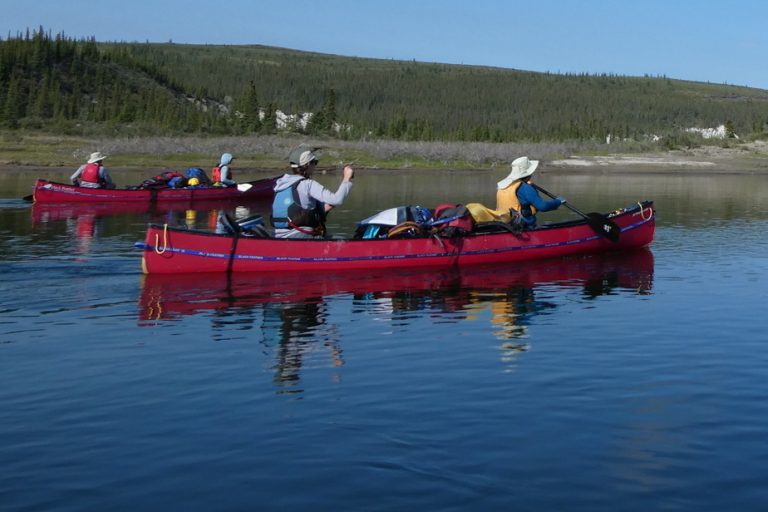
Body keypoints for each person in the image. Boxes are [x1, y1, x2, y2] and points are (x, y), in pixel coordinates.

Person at [271, 146, 354, 238]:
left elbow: (301, 208)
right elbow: (337, 199)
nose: (315, 165)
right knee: (340, 239)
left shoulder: (280, 184)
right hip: (300, 236)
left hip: (278, 236)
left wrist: (329, 206)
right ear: (307, 165)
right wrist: (347, 178)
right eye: (314, 162)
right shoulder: (307, 184)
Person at [495, 156, 565, 227]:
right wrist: (558, 202)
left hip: (504, 225)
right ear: (529, 173)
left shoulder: (502, 186)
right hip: (522, 226)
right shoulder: (525, 188)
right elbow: (543, 206)